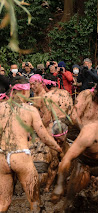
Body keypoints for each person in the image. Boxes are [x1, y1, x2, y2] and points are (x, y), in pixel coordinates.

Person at [0, 76, 61, 212]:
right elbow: (44, 136)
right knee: (34, 202)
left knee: (3, 203)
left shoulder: (0, 107)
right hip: (21, 156)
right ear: (24, 92)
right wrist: (57, 147)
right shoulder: (30, 110)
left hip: (2, 157)